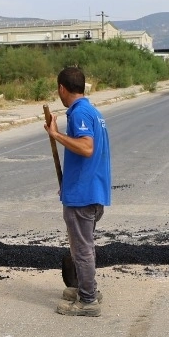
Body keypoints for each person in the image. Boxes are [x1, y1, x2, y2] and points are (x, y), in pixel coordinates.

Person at [44, 66, 111, 317]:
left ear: (62, 88)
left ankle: (88, 301)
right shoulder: (92, 111)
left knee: (82, 249)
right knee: (85, 247)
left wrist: (55, 134)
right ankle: (87, 288)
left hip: (83, 195)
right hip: (90, 190)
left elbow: (86, 148)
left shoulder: (80, 113)